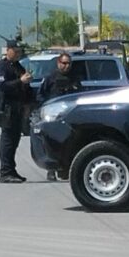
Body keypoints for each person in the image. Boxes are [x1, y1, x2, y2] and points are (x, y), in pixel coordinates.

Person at [37, 52, 82, 181]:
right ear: (58, 63)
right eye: (64, 63)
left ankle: (66, 170)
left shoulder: (75, 78)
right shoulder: (50, 78)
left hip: (69, 116)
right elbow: (40, 96)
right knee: (51, 143)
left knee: (70, 142)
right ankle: (51, 170)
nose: (66, 66)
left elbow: (79, 96)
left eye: (68, 63)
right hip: (53, 116)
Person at [0, 40, 32, 183]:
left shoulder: (18, 66)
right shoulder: (1, 66)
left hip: (19, 108)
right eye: (15, 51)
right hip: (8, 109)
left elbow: (24, 85)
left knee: (15, 140)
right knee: (8, 141)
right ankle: (5, 172)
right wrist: (20, 81)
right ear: (8, 50)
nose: (18, 53)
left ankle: (12, 170)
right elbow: (2, 86)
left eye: (19, 51)